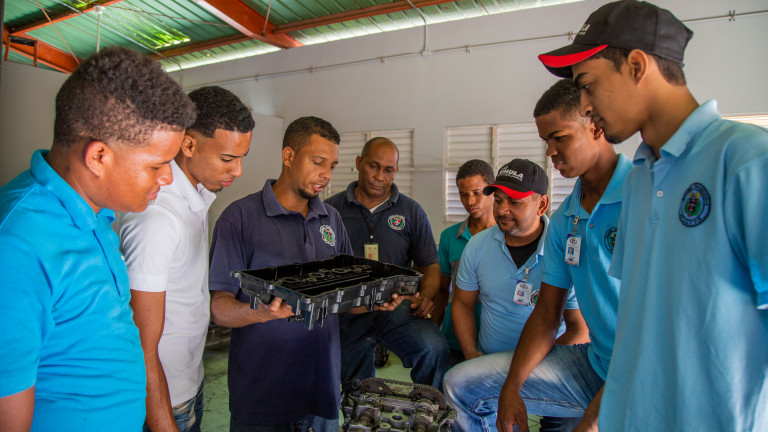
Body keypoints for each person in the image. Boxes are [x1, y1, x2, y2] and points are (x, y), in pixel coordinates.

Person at [538, 1, 768, 430]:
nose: (584, 105)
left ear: (637, 66)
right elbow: (636, 319)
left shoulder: (746, 161)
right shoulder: (640, 180)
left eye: (587, 85)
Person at [0, 47, 196, 431]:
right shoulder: (18, 246)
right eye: (157, 165)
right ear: (98, 157)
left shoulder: (96, 214)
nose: (168, 177)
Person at [445, 79, 631, 432]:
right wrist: (511, 386)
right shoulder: (566, 219)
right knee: (461, 383)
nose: (550, 152)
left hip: (642, 369)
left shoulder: (643, 196)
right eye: (546, 140)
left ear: (595, 125)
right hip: (595, 363)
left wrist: (592, 420)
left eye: (559, 137)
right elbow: (546, 313)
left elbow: (655, 329)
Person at [208, 117, 402, 432]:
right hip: (263, 397)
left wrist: (374, 301)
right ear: (288, 156)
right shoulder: (239, 218)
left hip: (321, 393)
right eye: (318, 162)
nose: (326, 174)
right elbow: (219, 307)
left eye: (332, 166)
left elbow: (343, 300)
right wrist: (260, 313)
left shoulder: (331, 219)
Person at [115, 86, 254, 432]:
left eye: (242, 158)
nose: (238, 171)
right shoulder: (157, 216)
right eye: (227, 158)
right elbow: (141, 343)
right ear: (189, 145)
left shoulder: (195, 195)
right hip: (163, 396)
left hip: (189, 380)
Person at [444, 158, 588, 432]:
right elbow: (462, 304)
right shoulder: (478, 246)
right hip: (491, 360)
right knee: (456, 385)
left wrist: (525, 372)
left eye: (514, 202)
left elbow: (580, 329)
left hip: (548, 365)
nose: (502, 210)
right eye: (498, 200)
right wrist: (471, 353)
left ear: (542, 205)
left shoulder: (565, 250)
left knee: (574, 417)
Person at [325, 137, 450, 390]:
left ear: (396, 171)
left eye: (388, 170)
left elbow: (429, 266)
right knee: (355, 388)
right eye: (373, 166)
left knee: (434, 349)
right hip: (348, 312)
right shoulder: (331, 211)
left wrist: (425, 297)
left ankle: (430, 407)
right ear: (359, 163)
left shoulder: (411, 211)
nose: (379, 176)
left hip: (397, 308)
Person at [437, 159, 496, 365]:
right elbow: (442, 291)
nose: (470, 201)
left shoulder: (507, 236)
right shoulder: (449, 237)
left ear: (492, 190)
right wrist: (433, 333)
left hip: (495, 336)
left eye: (477, 193)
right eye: (463, 194)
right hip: (455, 339)